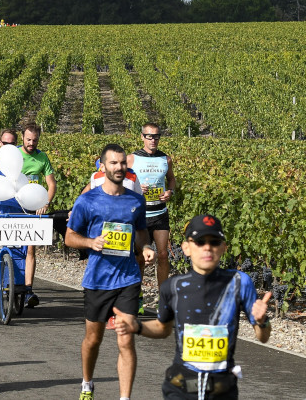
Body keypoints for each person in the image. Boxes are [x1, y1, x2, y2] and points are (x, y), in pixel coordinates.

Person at [113, 215, 272, 400]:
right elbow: (163, 328)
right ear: (186, 248)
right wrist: (137, 326)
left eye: (214, 241)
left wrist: (262, 321)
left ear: (223, 247)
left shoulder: (239, 282)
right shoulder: (173, 286)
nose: (207, 247)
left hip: (222, 388)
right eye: (199, 241)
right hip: (180, 385)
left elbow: (263, 337)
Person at [66, 143, 154, 400]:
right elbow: (70, 237)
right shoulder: (87, 200)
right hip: (98, 279)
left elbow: (140, 231)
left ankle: (124, 397)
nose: (119, 168)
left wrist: (146, 247)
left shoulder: (136, 200)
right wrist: (90, 242)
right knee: (93, 340)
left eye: (123, 163)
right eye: (113, 163)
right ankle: (87, 383)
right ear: (102, 166)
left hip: (128, 278)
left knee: (126, 339)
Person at [128, 123, 176, 292]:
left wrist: (170, 192)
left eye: (156, 136)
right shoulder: (132, 158)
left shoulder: (166, 159)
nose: (153, 140)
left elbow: (171, 180)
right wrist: (136, 189)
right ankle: (137, 296)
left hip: (160, 212)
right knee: (140, 257)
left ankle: (163, 298)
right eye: (149, 136)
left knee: (163, 255)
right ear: (142, 137)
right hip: (140, 214)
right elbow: (122, 182)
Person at [18, 123, 56, 308]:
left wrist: (45, 203)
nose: (31, 143)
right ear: (22, 138)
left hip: (33, 209)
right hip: (14, 207)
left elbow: (51, 184)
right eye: (28, 140)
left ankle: (28, 290)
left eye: (35, 140)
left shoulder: (42, 158)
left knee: (30, 250)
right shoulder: (15, 155)